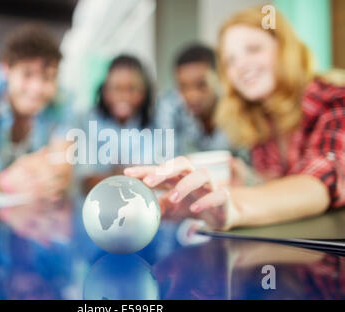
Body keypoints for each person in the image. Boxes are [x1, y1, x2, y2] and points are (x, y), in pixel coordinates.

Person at [125, 7, 345, 230]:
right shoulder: (257, 120)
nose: (240, 65)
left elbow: (321, 182)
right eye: (230, 60)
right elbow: (287, 184)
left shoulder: (336, 99)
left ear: (285, 49)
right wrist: (247, 179)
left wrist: (233, 205)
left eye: (254, 49)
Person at [0, 24, 72, 200]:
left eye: (48, 77)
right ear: (6, 69)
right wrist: (3, 183)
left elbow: (63, 175)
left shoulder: (63, 102)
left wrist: (50, 176)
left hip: (32, 203)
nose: (37, 88)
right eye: (27, 74)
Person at [77, 54, 154, 193]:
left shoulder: (155, 122)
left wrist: (112, 175)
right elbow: (86, 183)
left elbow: (157, 180)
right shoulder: (87, 120)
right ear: (104, 90)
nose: (123, 96)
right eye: (116, 88)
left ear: (144, 92)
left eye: (132, 88)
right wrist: (133, 175)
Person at [155, 44, 230, 156]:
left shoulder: (236, 108)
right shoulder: (172, 109)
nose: (192, 96)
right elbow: (167, 159)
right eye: (183, 87)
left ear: (220, 78)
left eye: (202, 85)